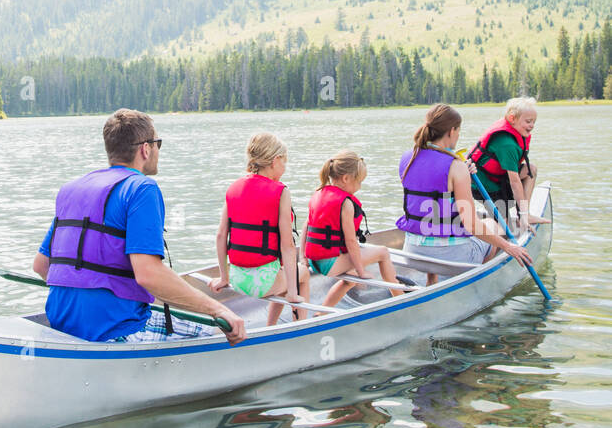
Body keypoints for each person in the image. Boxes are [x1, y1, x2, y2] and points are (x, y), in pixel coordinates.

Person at [33, 109, 245, 344]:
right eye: (158, 145)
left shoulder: (70, 189)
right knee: (216, 333)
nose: (157, 151)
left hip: (62, 326)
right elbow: (148, 274)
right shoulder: (142, 189)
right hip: (117, 330)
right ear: (146, 148)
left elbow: (42, 266)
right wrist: (218, 310)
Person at [397, 103, 535, 286]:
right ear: (452, 131)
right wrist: (509, 247)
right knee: (491, 225)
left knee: (437, 225)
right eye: (459, 131)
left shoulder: (408, 157)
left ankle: (432, 282)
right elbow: (471, 225)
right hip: (450, 258)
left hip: (412, 252)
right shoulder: (456, 166)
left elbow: (431, 184)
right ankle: (477, 282)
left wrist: (461, 170)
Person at [209, 132, 311, 327]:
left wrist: (224, 277)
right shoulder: (281, 191)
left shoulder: (233, 188)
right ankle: (301, 326)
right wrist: (292, 291)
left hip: (237, 279)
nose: (284, 168)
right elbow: (288, 246)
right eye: (284, 162)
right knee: (303, 274)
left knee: (281, 273)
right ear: (275, 160)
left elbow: (221, 235)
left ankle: (270, 326)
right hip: (263, 283)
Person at [301, 151, 401, 308]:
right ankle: (399, 298)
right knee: (383, 252)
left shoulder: (319, 193)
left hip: (315, 262)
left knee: (349, 280)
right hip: (330, 263)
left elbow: (306, 227)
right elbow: (350, 241)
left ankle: (323, 312)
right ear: (346, 178)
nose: (360, 186)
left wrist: (303, 257)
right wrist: (362, 272)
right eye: (359, 181)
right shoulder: (346, 204)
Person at [468, 97, 542, 232]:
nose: (532, 125)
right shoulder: (507, 144)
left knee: (531, 170)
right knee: (505, 229)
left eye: (534, 122)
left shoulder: (515, 135)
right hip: (484, 186)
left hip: (499, 179)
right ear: (512, 119)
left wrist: (523, 214)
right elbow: (515, 182)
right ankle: (477, 228)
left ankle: (525, 215)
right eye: (528, 121)